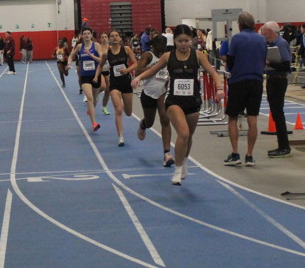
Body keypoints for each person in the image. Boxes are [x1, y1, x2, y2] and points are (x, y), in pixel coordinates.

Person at [133, 24, 224, 185]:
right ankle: (177, 169)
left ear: (192, 40)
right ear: (174, 41)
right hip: (174, 101)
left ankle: (185, 161)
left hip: (193, 101)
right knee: (183, 133)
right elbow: (153, 70)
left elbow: (213, 73)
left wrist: (219, 88)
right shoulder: (168, 56)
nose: (183, 44)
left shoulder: (198, 56)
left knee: (188, 136)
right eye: (180, 41)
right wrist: (138, 78)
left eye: (186, 41)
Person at [222, 12, 267, 166]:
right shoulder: (261, 39)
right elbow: (264, 59)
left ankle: (235, 153)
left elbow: (230, 60)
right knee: (252, 119)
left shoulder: (237, 38)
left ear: (240, 25)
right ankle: (249, 155)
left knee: (233, 117)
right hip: (256, 80)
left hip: (238, 80)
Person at [129, 33, 174, 167]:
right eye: (159, 45)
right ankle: (143, 125)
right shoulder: (148, 55)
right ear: (153, 45)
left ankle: (167, 154)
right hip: (148, 93)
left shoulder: (168, 56)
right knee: (149, 122)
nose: (161, 48)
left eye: (163, 45)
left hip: (162, 92)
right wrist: (156, 66)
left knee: (165, 120)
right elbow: (138, 72)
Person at [93, 30, 136, 146]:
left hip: (126, 82)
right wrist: (96, 76)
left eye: (116, 36)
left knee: (128, 112)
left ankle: (123, 104)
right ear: (109, 39)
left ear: (120, 38)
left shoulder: (126, 49)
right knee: (118, 110)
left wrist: (127, 70)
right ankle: (120, 137)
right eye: (112, 36)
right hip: (114, 84)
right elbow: (100, 65)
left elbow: (135, 63)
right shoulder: (107, 53)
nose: (115, 37)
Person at [261, 22, 293, 158]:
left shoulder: (281, 43)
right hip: (272, 79)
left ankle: (284, 146)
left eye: (264, 30)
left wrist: (269, 62)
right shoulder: (269, 44)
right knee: (275, 112)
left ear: (271, 31)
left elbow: (286, 65)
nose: (262, 33)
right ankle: (282, 145)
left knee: (278, 113)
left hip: (279, 80)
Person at [71, 28, 102, 132]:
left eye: (88, 33)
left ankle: (91, 109)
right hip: (84, 77)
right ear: (82, 36)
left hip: (95, 76)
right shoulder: (80, 46)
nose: (87, 35)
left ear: (91, 35)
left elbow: (101, 60)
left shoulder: (96, 45)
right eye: (85, 34)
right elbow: (71, 55)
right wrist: (68, 63)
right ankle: (94, 123)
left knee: (95, 98)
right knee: (90, 97)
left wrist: (91, 55)